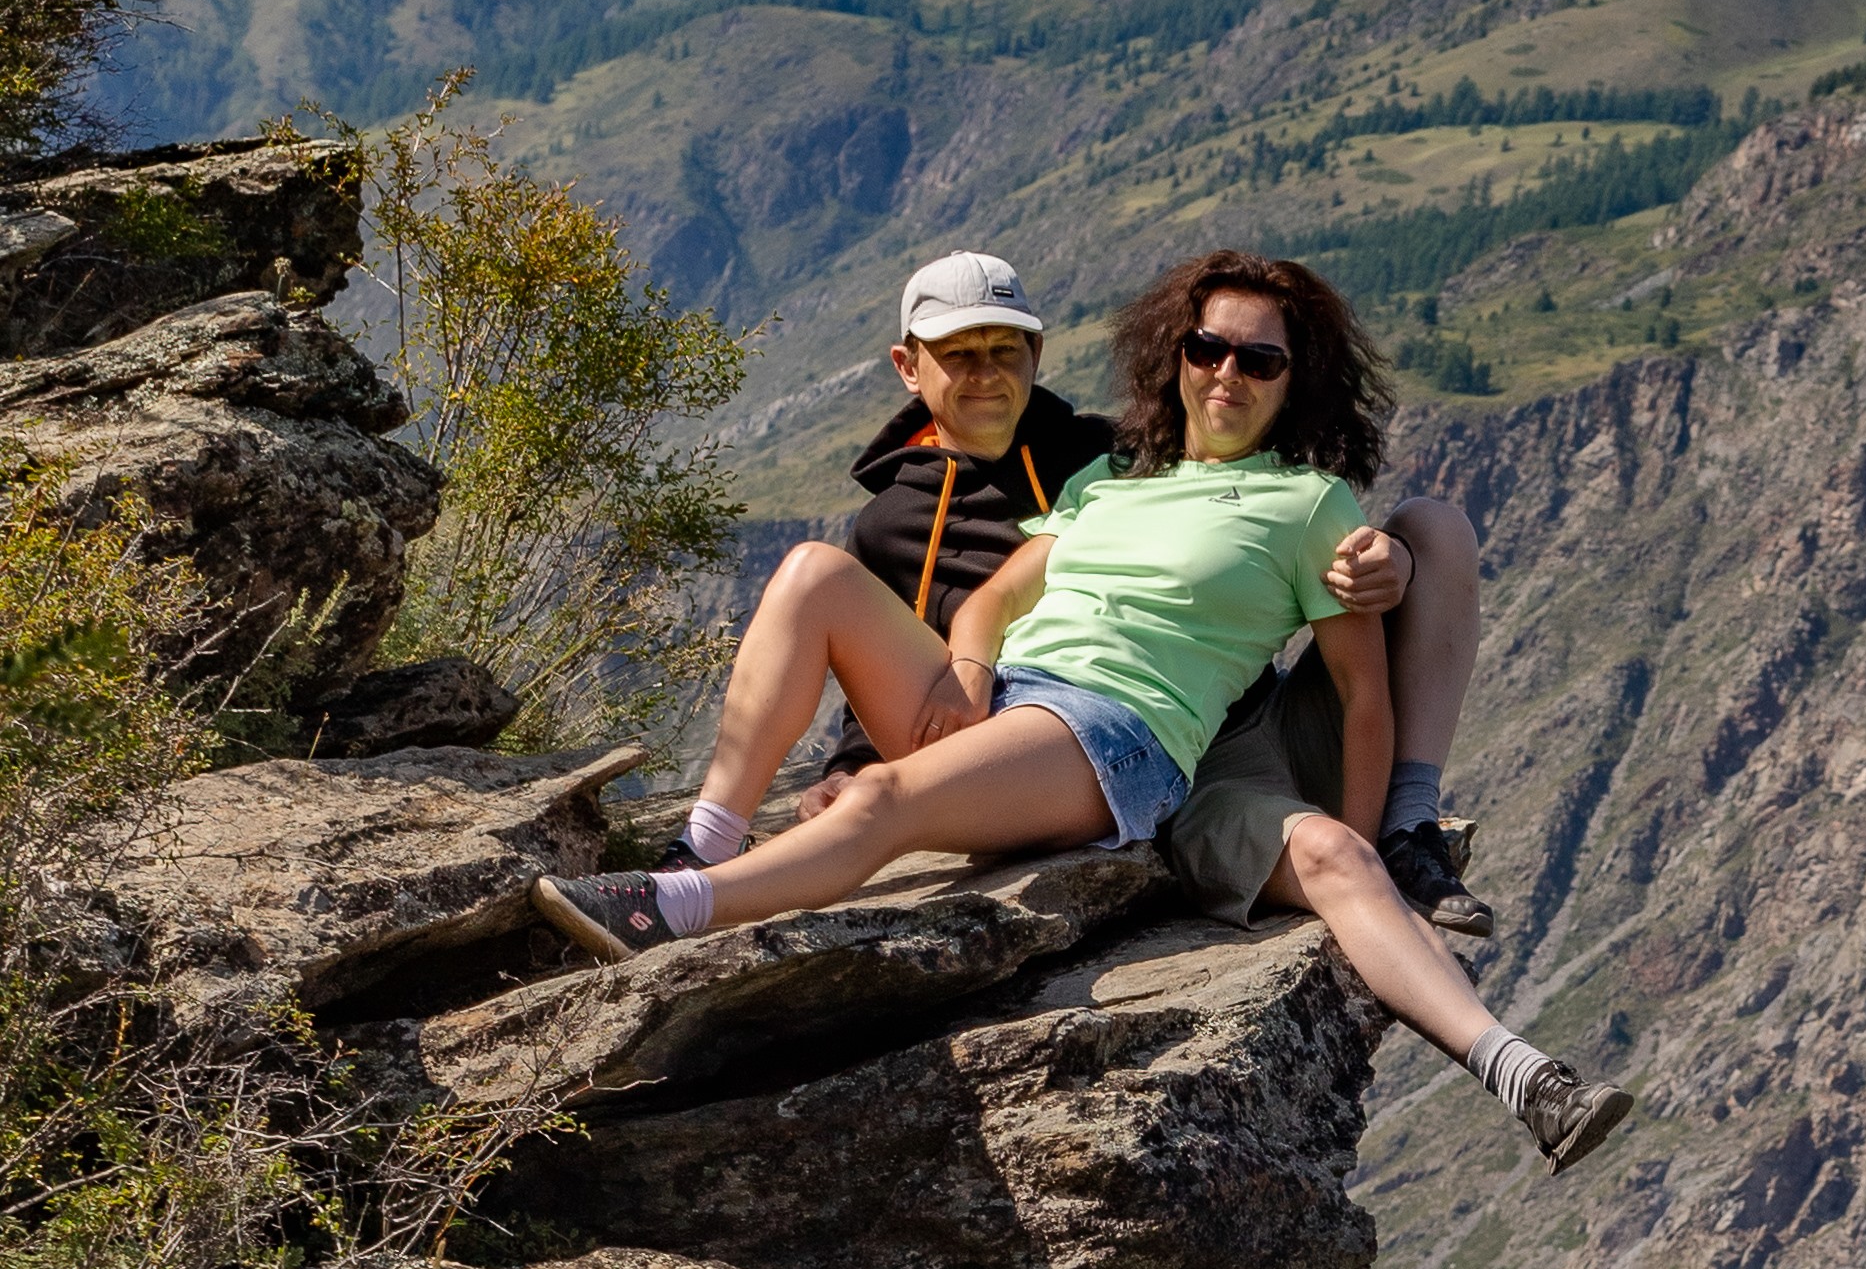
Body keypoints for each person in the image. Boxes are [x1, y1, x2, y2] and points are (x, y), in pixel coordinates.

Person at [531, 249, 1631, 1175]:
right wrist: (966, 669)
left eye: (1260, 360)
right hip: (1013, 701)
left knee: (884, 803)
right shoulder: (1108, 477)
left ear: (1297, 382)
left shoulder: (1308, 506)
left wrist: (1361, 833)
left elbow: (1362, 696)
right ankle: (705, 838)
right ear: (1175, 356)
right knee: (814, 572)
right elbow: (994, 600)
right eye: (1208, 349)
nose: (1228, 374)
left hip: (1111, 731)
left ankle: (674, 909)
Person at [795, 245, 1489, 931]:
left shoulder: (1107, 457)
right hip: (1121, 754)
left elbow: (1242, 512)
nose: (984, 375)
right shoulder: (893, 524)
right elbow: (892, 665)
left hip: (1233, 712)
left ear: (1035, 354)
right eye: (957, 354)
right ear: (910, 365)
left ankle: (1408, 828)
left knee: (1435, 527)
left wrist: (1395, 561)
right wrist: (853, 763)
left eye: (1003, 351)